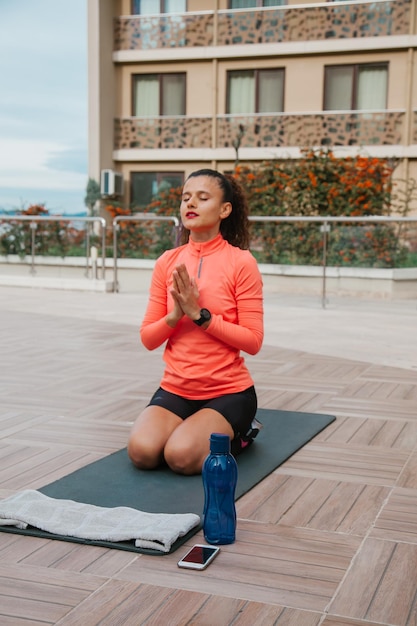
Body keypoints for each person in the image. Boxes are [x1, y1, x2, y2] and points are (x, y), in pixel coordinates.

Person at [127, 168, 264, 475]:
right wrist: (175, 316)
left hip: (228, 392)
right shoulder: (166, 262)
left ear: (224, 209)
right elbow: (148, 339)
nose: (191, 204)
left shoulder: (241, 263)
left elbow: (254, 341)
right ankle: (193, 428)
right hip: (176, 388)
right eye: (186, 197)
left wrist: (201, 317)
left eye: (203, 198)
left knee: (181, 457)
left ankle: (242, 434)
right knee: (142, 452)